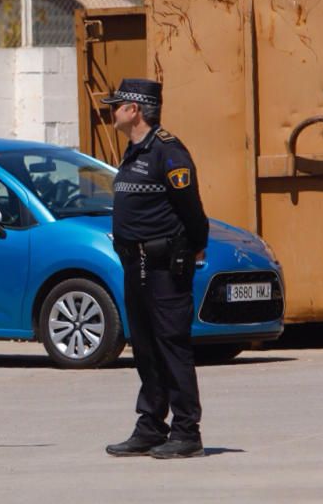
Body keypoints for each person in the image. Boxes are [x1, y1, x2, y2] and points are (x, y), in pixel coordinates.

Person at [102, 78, 209, 460]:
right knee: (145, 347)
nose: (111, 111)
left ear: (134, 110)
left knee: (171, 345)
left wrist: (195, 247)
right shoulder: (133, 152)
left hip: (164, 266)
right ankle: (150, 425)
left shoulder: (168, 152)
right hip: (135, 264)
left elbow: (192, 212)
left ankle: (186, 431)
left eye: (116, 106)